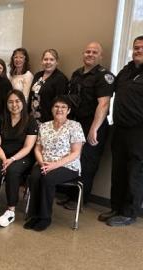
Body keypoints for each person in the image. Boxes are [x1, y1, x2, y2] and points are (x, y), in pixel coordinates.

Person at [61, 42, 114, 210]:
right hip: (76, 124)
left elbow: (104, 104)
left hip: (93, 124)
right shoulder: (77, 74)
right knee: (72, 159)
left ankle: (79, 200)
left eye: (94, 52)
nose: (90, 54)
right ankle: (70, 196)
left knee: (87, 162)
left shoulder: (104, 76)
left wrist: (94, 128)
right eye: (87, 51)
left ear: (100, 56)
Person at [24, 96, 85, 231]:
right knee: (34, 177)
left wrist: (53, 166)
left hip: (67, 166)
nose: (60, 109)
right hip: (44, 163)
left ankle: (45, 217)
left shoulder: (75, 126)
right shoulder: (44, 126)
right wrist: (41, 163)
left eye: (63, 107)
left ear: (68, 110)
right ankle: (34, 215)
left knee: (48, 179)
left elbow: (75, 153)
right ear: (52, 109)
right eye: (56, 106)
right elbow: (38, 148)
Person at [103, 36, 143, 226]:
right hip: (119, 128)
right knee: (118, 170)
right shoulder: (126, 71)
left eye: (142, 48)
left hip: (139, 132)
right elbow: (111, 89)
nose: (138, 50)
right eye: (136, 47)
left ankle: (129, 213)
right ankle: (116, 207)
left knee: (134, 173)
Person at [0, 90, 37, 227]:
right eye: (10, 102)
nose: (14, 104)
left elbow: (28, 147)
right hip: (1, 153)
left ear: (23, 102)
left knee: (13, 170)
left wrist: (12, 159)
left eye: (17, 101)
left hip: (22, 156)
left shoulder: (30, 121)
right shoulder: (0, 119)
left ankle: (11, 210)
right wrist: (4, 159)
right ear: (6, 104)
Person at [28, 49, 69, 125]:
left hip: (48, 120)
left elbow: (60, 103)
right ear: (42, 61)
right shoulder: (38, 75)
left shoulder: (60, 79)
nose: (48, 62)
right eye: (45, 59)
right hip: (33, 118)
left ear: (57, 62)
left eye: (51, 59)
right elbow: (31, 96)